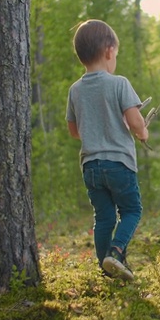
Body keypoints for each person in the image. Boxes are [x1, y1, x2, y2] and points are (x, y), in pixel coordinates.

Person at [66, 19, 149, 281]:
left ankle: (105, 268)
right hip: (119, 164)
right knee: (132, 210)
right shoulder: (119, 83)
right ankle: (116, 251)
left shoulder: (75, 90)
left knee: (103, 217)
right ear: (109, 51)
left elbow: (74, 130)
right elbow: (135, 121)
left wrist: (98, 128)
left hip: (90, 166)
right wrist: (142, 132)